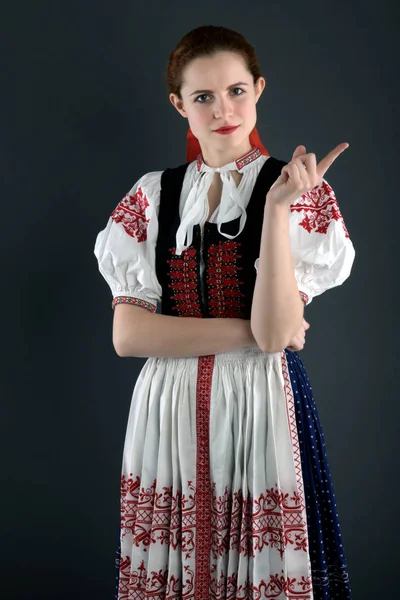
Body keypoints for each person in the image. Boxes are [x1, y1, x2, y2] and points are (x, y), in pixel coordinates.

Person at [94, 25, 355, 600]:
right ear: (178, 104)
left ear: (259, 89)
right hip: (169, 406)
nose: (223, 111)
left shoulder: (295, 189)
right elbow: (129, 335)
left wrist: (279, 209)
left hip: (263, 403)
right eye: (204, 97)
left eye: (237, 91)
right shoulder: (152, 195)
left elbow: (275, 336)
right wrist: (256, 331)